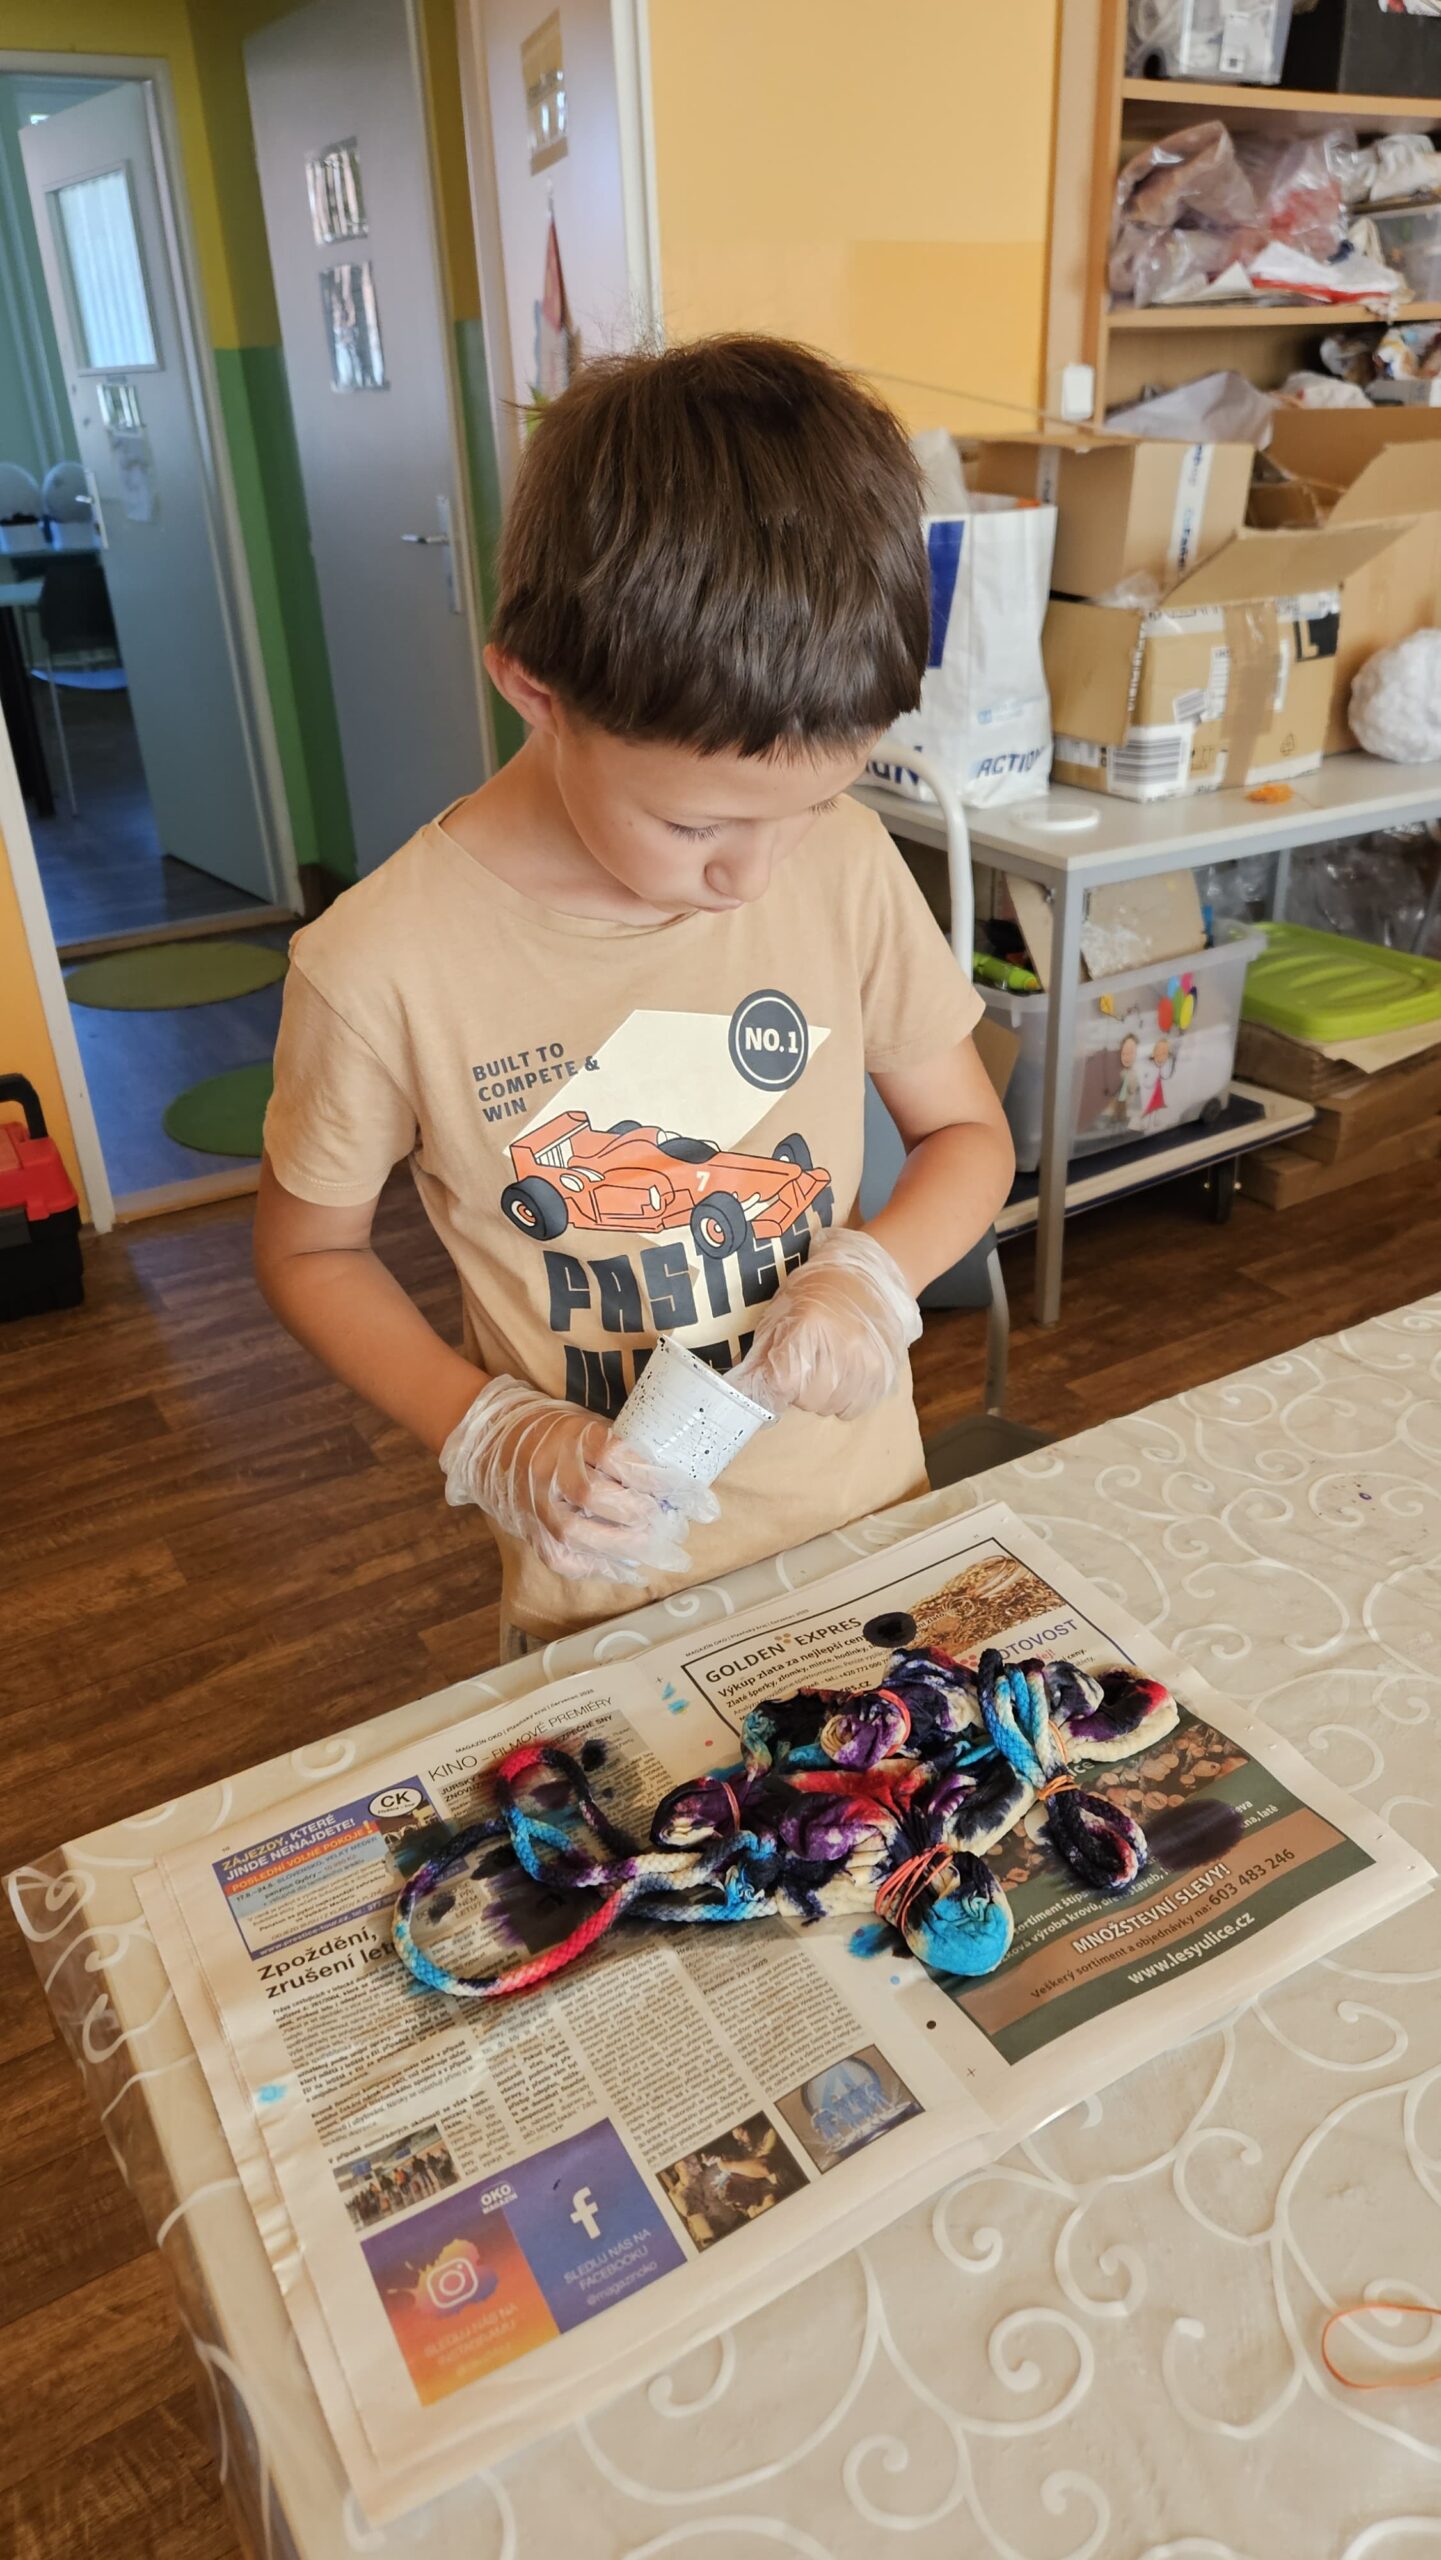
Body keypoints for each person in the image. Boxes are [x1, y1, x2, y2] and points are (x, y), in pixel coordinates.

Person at [255, 336, 1014, 1651]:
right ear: (534, 691)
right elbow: (309, 1251)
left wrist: (872, 1275)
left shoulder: (840, 864)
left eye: (813, 804)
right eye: (695, 825)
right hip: (606, 1594)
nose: (752, 876)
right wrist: (486, 1427)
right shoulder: (380, 964)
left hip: (865, 1528)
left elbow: (964, 1132)